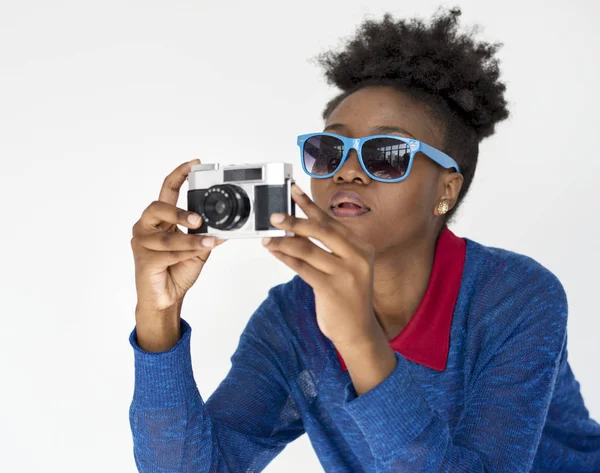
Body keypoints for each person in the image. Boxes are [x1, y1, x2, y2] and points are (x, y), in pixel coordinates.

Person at [128, 7, 600, 473]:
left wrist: (359, 341)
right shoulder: (291, 321)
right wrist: (158, 317)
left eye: (387, 154)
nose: (347, 171)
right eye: (329, 150)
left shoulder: (514, 297)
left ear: (446, 190)